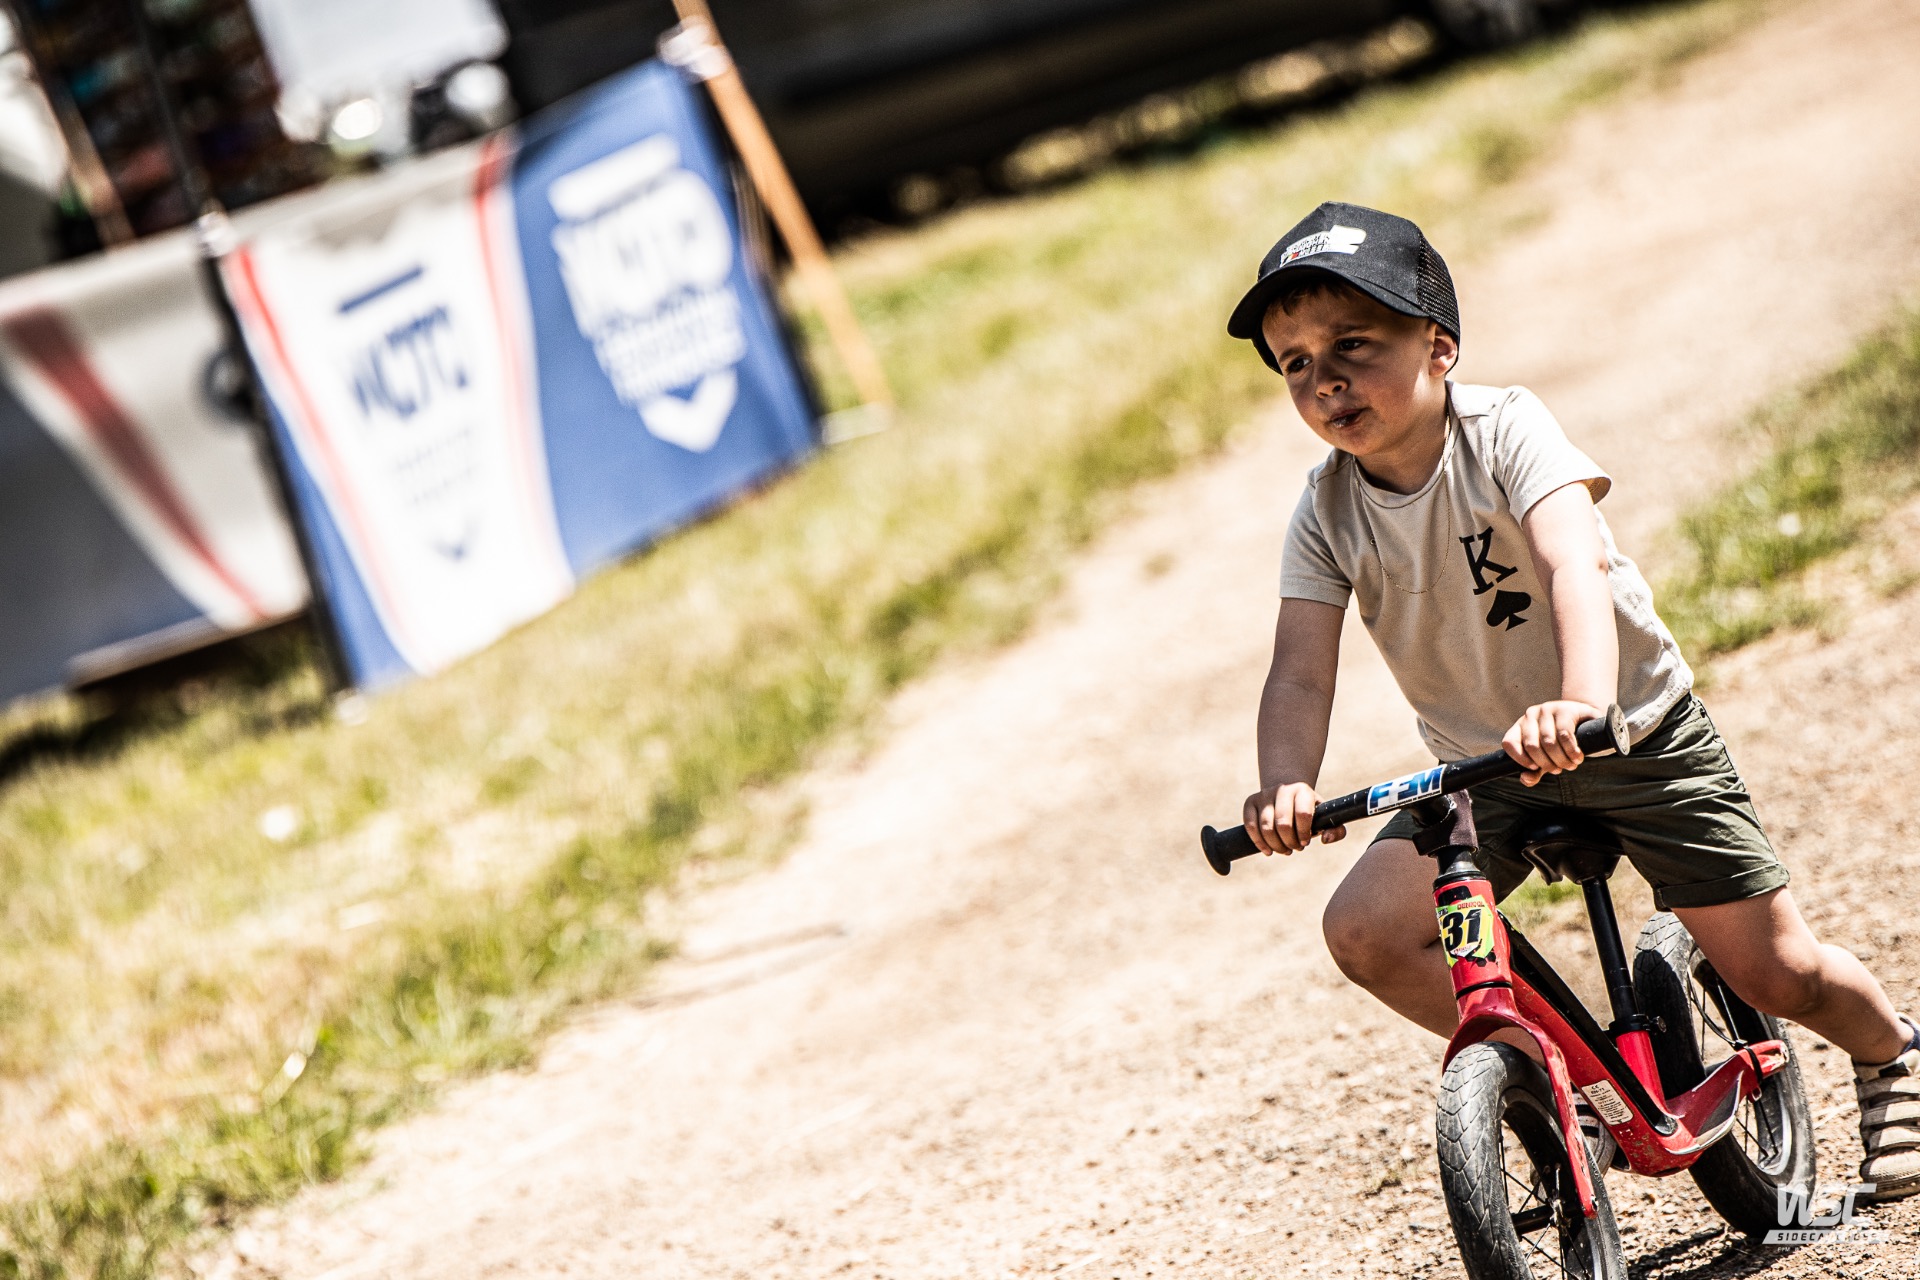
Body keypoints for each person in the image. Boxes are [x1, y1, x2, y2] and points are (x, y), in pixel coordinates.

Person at [1228, 201, 1919, 1202]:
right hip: (1484, 773)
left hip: (1630, 734)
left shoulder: (1505, 429)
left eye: (1353, 344)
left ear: (1439, 347)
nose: (1325, 378)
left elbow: (1571, 565)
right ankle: (1567, 1085)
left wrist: (1577, 703)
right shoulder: (1326, 508)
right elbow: (1300, 669)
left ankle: (1892, 1052)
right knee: (1368, 932)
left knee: (1779, 973)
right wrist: (1285, 782)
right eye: (1295, 363)